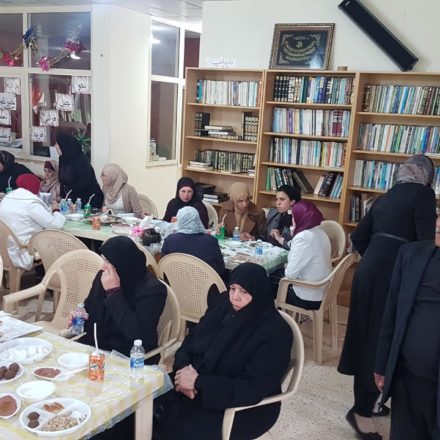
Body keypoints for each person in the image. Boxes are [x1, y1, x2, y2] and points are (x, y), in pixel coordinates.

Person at [338, 154, 436, 440]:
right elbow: (426, 243)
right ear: (427, 176)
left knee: (364, 337)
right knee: (381, 340)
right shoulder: (424, 195)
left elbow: (359, 236)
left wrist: (376, 257)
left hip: (368, 271)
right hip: (395, 273)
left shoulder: (386, 197)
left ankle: (368, 404)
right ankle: (362, 412)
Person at [155, 263, 292, 440]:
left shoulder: (275, 332)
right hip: (198, 380)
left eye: (244, 291)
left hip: (243, 406)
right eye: (232, 288)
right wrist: (183, 371)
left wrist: (198, 383)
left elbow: (253, 387)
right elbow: (191, 340)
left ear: (258, 293)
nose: (235, 297)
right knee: (144, 407)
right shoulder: (222, 305)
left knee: (176, 431)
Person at [374, 216, 440, 440]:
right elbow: (391, 313)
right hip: (406, 379)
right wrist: (382, 364)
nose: (438, 223)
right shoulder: (411, 254)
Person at [75, 236, 166, 360]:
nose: (103, 267)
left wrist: (113, 293)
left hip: (130, 355)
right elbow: (90, 306)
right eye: (103, 260)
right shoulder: (104, 276)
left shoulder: (153, 290)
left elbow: (138, 335)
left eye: (108, 261)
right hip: (96, 346)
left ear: (122, 264)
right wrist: (80, 316)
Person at [0, 174, 65, 270]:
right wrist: (56, 210)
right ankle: (54, 277)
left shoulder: (7, 199)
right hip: (22, 252)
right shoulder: (31, 204)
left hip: (3, 251)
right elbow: (56, 225)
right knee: (59, 243)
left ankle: (40, 274)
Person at [284, 200, 331, 310]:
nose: (292, 220)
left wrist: (287, 266)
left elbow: (290, 274)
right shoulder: (321, 232)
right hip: (322, 292)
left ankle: (275, 318)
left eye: (293, 216)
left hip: (306, 297)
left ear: (300, 217)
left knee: (267, 283)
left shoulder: (302, 238)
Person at [161, 206, 225, 277]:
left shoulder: (170, 240)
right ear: (198, 220)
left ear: (179, 221)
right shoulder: (211, 241)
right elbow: (221, 269)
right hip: (206, 282)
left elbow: (164, 267)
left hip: (176, 281)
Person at [55, 131, 103, 209]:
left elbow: (84, 183)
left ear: (64, 145)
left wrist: (69, 193)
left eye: (57, 144)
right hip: (71, 199)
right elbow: (62, 181)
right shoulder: (63, 159)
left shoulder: (81, 160)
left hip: (88, 200)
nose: (55, 146)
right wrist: (62, 197)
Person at [265, 184, 301, 249]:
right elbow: (265, 236)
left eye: (282, 199)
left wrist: (279, 239)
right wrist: (253, 237)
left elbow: (297, 247)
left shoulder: (300, 219)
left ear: (292, 202)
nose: (278, 203)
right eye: (277, 199)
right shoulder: (273, 213)